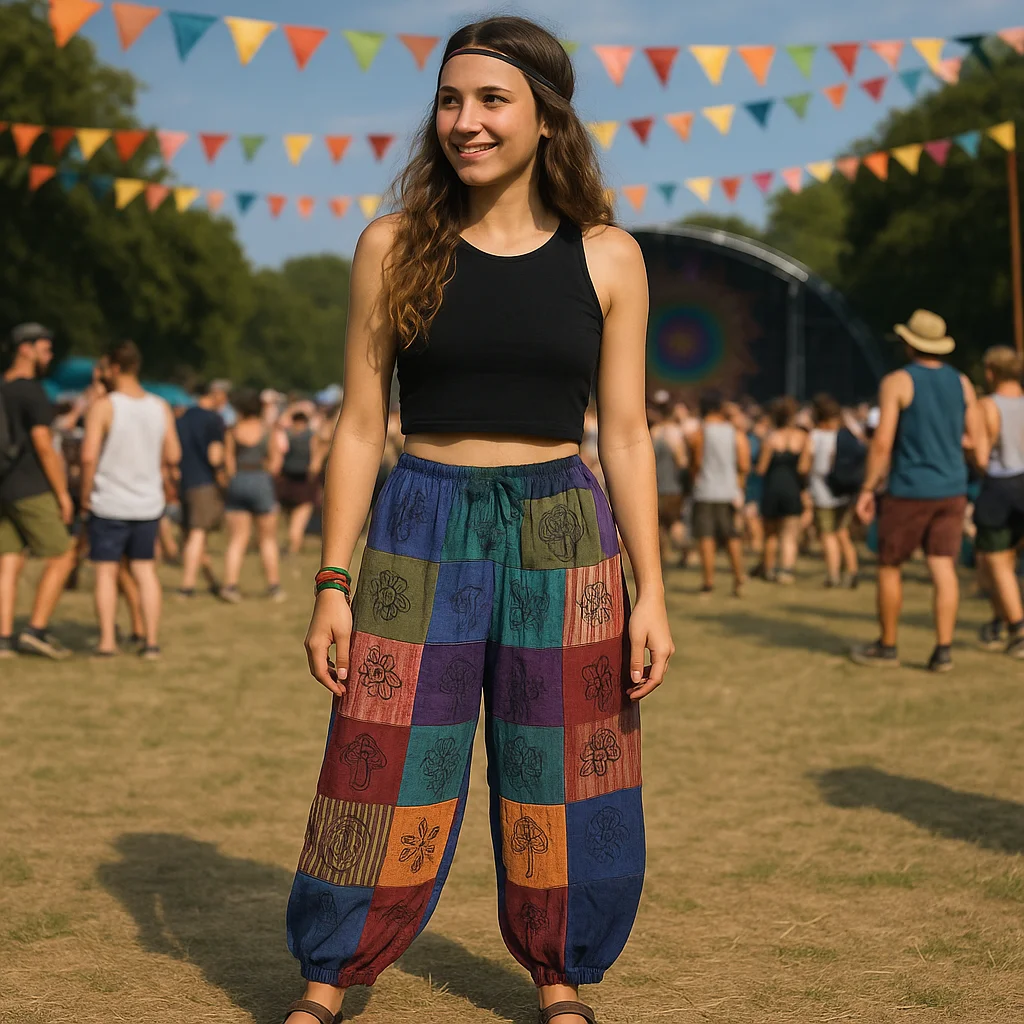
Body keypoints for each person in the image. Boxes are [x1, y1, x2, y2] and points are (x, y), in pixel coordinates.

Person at [283, 18, 674, 1024]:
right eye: (450, 101)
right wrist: (332, 579)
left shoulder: (608, 257)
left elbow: (624, 436)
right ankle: (331, 972)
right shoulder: (394, 244)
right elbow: (361, 426)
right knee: (381, 755)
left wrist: (652, 593)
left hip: (562, 527)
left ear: (545, 118)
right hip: (418, 522)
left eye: (491, 100)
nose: (465, 121)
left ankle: (559, 974)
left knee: (564, 761)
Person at [852, 310, 988, 672]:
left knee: (890, 565)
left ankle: (888, 646)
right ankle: (942, 650)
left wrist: (868, 488)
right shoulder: (962, 383)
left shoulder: (897, 381)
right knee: (943, 567)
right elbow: (975, 440)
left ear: (909, 343)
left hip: (910, 487)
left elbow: (882, 442)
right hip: (952, 488)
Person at [80, 341, 180, 659]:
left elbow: (87, 457)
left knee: (106, 572)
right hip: (147, 503)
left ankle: (108, 641)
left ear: (113, 368)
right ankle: (151, 641)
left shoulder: (105, 406)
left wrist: (84, 495)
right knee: (145, 571)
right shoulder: (159, 406)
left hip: (109, 501)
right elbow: (174, 454)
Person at [0, 323, 77, 659]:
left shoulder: (2, 386)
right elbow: (44, 445)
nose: (50, 355)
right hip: (31, 485)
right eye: (44, 349)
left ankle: (2, 640)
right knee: (63, 555)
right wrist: (62, 493)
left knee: (9, 561)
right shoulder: (31, 391)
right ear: (25, 349)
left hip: (3, 485)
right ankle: (36, 630)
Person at [973, 346, 1024, 656]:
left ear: (991, 371)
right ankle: (1001, 619)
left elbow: (981, 456)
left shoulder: (987, 406)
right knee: (1009, 559)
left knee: (995, 560)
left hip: (1000, 485)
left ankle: (1017, 627)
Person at [219, 389, 286, 603]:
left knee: (237, 539)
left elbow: (228, 463)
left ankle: (230, 586)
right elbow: (275, 464)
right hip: (260, 482)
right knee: (267, 539)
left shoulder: (232, 431)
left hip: (239, 480)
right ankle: (274, 586)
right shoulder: (267, 430)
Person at [689, 390, 749, 595]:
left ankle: (708, 582)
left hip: (705, 490)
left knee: (706, 537)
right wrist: (739, 486)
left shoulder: (700, 432)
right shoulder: (735, 432)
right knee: (732, 536)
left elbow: (696, 461)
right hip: (728, 491)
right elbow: (744, 463)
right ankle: (739, 578)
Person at [175, 381, 227, 598]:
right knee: (198, 534)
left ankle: (212, 581)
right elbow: (215, 456)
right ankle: (187, 586)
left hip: (183, 481)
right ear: (214, 394)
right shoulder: (213, 420)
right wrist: (222, 478)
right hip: (204, 482)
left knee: (193, 535)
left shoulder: (182, 418)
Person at [756, 396, 810, 584]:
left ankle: (768, 569)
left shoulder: (770, 438)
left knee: (770, 534)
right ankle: (786, 571)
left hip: (772, 488)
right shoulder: (803, 438)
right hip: (792, 488)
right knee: (789, 535)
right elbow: (804, 469)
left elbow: (761, 469)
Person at [809, 393, 859, 588]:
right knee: (843, 533)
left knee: (828, 534)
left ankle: (833, 575)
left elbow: (806, 465)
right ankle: (852, 572)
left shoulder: (815, 436)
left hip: (823, 492)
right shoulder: (846, 436)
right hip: (845, 490)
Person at [278, 409, 324, 556]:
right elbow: (316, 462)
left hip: (294, 482)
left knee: (295, 521)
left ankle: (293, 549)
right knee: (296, 520)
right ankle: (295, 546)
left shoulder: (287, 436)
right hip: (300, 482)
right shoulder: (310, 436)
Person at [649, 398, 686, 567]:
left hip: (656, 486)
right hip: (673, 486)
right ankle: (686, 551)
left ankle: (662, 558)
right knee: (675, 524)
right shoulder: (676, 433)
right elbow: (681, 462)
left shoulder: (654, 431)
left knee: (660, 526)